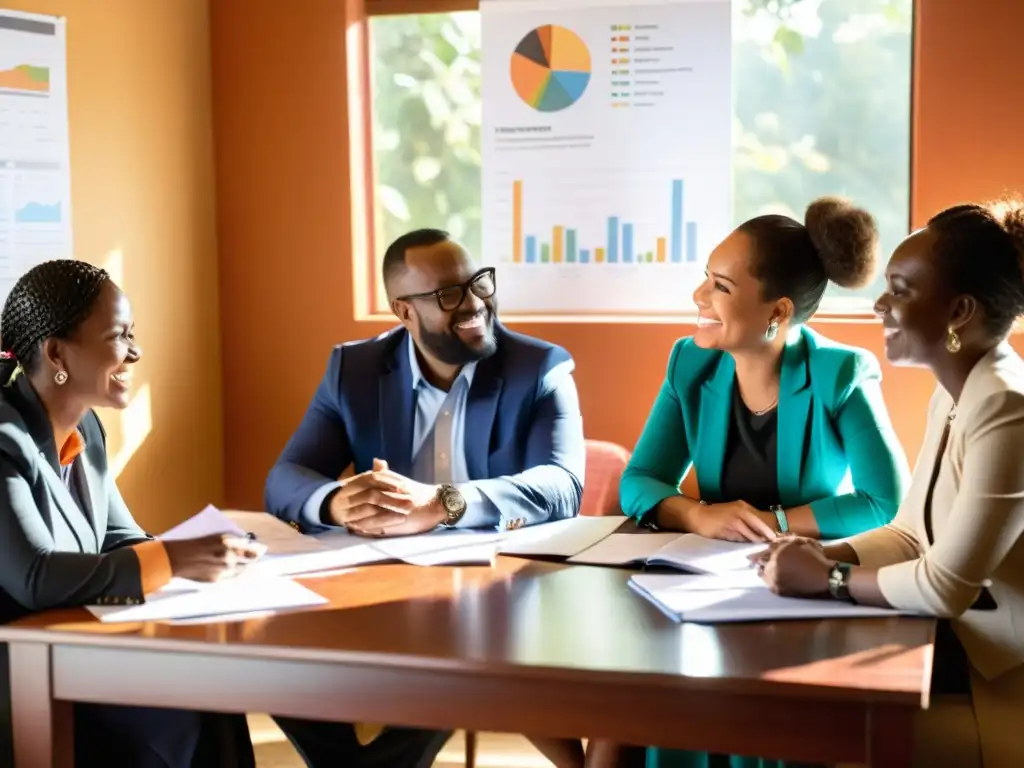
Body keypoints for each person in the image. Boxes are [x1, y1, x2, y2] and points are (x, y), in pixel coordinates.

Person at [601, 198, 911, 768]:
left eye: (720, 286)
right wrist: (696, 515)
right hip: (704, 589)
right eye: (705, 280)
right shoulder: (690, 365)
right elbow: (640, 480)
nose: (699, 298)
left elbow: (886, 500)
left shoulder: (840, 372)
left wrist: (777, 525)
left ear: (778, 310)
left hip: (800, 593)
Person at [265, 228, 586, 768]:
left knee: (454, 656)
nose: (475, 303)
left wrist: (444, 504)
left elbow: (562, 485)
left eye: (477, 282)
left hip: (495, 592)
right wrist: (334, 503)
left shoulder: (540, 367)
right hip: (381, 587)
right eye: (448, 295)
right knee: (273, 656)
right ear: (403, 312)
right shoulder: (355, 370)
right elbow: (285, 476)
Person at [757, 199, 1024, 767]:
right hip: (954, 652)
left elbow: (945, 586)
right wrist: (819, 551)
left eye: (900, 289)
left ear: (959, 311)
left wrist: (829, 577)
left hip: (999, 685)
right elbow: (908, 535)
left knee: (817, 740)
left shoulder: (1007, 407)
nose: (880, 304)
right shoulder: (957, 391)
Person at [0, 260, 265, 767]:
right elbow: (35, 576)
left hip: (75, 646)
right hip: (21, 668)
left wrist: (206, 553)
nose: (136, 351)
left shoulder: (88, 430)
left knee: (215, 686)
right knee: (171, 717)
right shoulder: (5, 440)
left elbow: (121, 537)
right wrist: (172, 558)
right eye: (119, 336)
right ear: (56, 352)